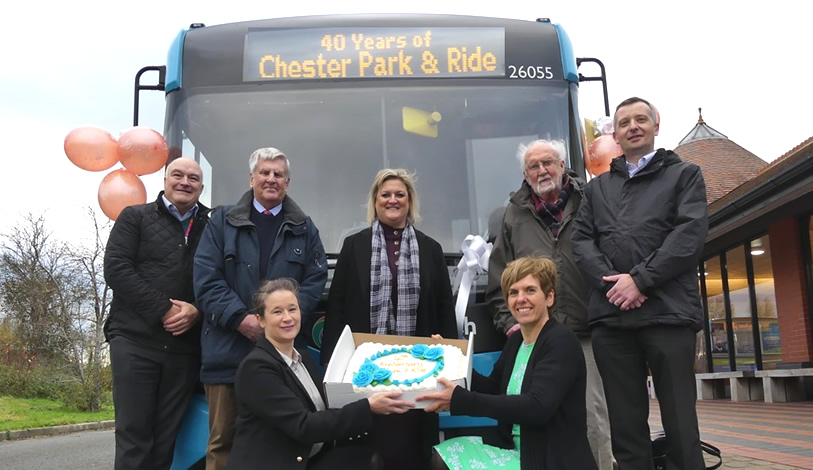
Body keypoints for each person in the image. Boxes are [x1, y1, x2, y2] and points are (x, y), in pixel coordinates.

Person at [571, 97, 709, 470]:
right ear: (614, 134)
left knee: (681, 424)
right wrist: (614, 287)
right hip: (612, 320)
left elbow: (688, 236)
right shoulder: (596, 189)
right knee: (625, 430)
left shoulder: (685, 175)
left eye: (641, 119)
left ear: (655, 126)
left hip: (668, 315)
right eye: (625, 122)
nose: (633, 126)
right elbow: (581, 242)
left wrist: (640, 281)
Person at [194, 147, 328, 470]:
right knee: (222, 443)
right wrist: (242, 319)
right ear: (251, 178)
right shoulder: (220, 223)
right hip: (227, 354)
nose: (271, 179)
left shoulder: (305, 228)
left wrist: (282, 323)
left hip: (283, 362)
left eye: (278, 174)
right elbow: (205, 280)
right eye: (264, 173)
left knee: (285, 443)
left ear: (288, 182)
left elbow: (315, 281)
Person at [486, 139, 614, 469]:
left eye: (548, 162)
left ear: (562, 165)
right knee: (536, 418)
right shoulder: (512, 215)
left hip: (587, 332)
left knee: (592, 419)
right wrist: (510, 324)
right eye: (533, 166)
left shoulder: (590, 200)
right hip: (534, 338)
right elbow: (499, 278)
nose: (542, 170)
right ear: (525, 175)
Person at [321, 168, 457, 470]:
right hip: (365, 372)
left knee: (414, 453)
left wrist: (449, 358)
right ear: (375, 200)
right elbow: (338, 305)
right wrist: (333, 364)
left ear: (410, 202)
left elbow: (444, 309)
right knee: (365, 455)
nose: (392, 200)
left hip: (418, 373)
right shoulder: (353, 246)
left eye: (400, 194)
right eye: (386, 194)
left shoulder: (431, 249)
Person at [417, 257, 597, 470]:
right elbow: (493, 389)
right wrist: (452, 360)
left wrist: (459, 399)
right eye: (514, 292)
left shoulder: (561, 341)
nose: (521, 299)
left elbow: (537, 407)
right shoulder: (516, 341)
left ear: (549, 298)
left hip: (547, 459)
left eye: (530, 290)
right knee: (442, 454)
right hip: (514, 450)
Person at [228, 278, 414, 470]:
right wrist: (368, 406)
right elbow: (304, 426)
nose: (288, 318)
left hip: (312, 457)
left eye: (292, 309)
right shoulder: (257, 368)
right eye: (277, 311)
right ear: (260, 320)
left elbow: (327, 409)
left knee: (374, 454)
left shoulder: (303, 359)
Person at [103, 157, 209, 470]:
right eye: (177, 175)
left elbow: (222, 278)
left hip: (183, 350)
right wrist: (162, 309)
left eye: (193, 178)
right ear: (165, 179)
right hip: (135, 342)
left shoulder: (213, 225)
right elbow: (117, 269)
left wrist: (198, 311)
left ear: (201, 188)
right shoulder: (135, 217)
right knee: (134, 437)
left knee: (165, 443)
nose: (185, 182)